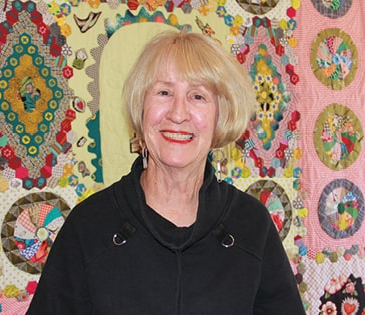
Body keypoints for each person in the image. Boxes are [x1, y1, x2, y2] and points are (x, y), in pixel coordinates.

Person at [27, 30, 306, 314]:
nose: (178, 113)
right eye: (164, 92)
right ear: (142, 107)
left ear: (220, 116)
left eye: (197, 96)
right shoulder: (88, 226)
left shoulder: (251, 225)